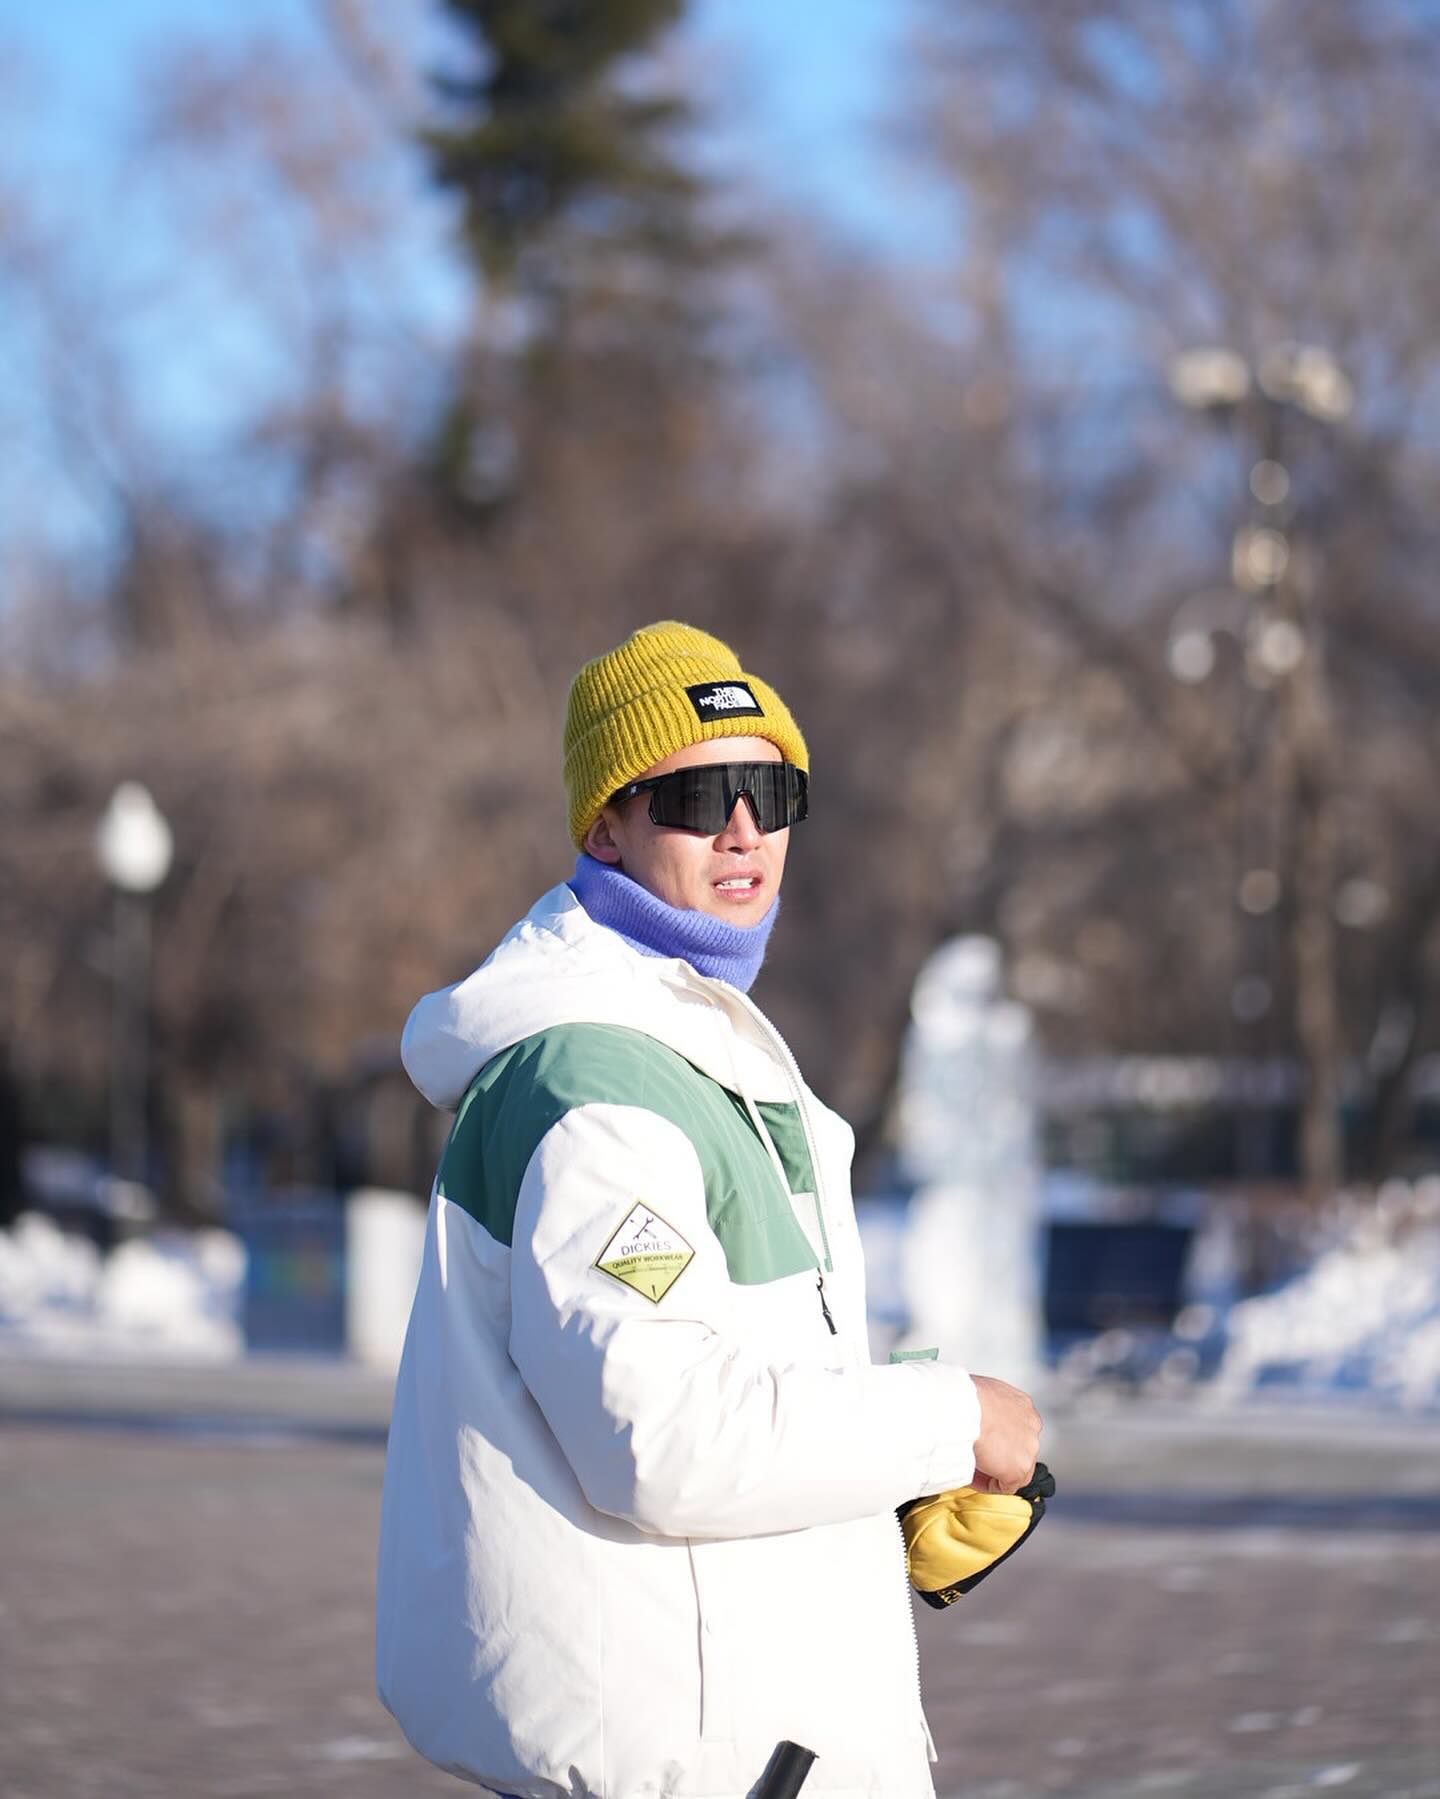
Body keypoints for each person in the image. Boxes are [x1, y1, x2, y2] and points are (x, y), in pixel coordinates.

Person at [376, 621, 1042, 1798]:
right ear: (606, 824)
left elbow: (719, 1394)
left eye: (771, 788)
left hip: (755, 1739)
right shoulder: (590, 1079)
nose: (746, 829)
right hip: (692, 1765)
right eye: (697, 793)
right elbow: (664, 1439)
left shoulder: (704, 1053)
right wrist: (949, 1418)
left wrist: (891, 1495)